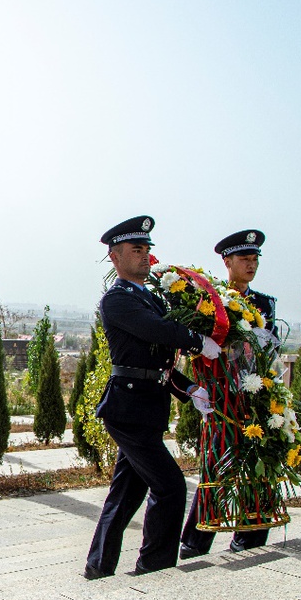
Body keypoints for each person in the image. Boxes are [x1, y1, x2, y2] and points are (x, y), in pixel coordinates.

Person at [82, 216, 219, 579]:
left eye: (146, 250)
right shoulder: (116, 300)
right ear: (115, 257)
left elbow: (159, 363)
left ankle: (98, 567)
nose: (144, 256)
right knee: (171, 486)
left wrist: (190, 388)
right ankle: (154, 566)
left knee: (124, 494)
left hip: (148, 406)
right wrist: (195, 339)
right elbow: (155, 331)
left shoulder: (152, 300)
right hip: (127, 409)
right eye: (135, 250)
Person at [181, 229, 277, 559]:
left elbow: (268, 355)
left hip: (255, 398)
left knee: (257, 464)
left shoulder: (265, 304)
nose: (251, 265)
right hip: (220, 398)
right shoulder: (211, 302)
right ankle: (195, 543)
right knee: (216, 465)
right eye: (244, 259)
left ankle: (249, 538)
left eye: (255, 260)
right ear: (227, 262)